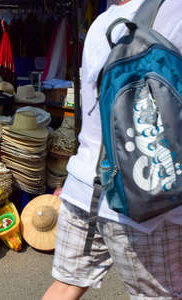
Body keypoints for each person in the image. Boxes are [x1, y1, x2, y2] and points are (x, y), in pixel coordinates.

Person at [42, 0, 182, 299]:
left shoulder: (101, 24)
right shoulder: (175, 9)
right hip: (146, 198)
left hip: (84, 184)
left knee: (67, 284)